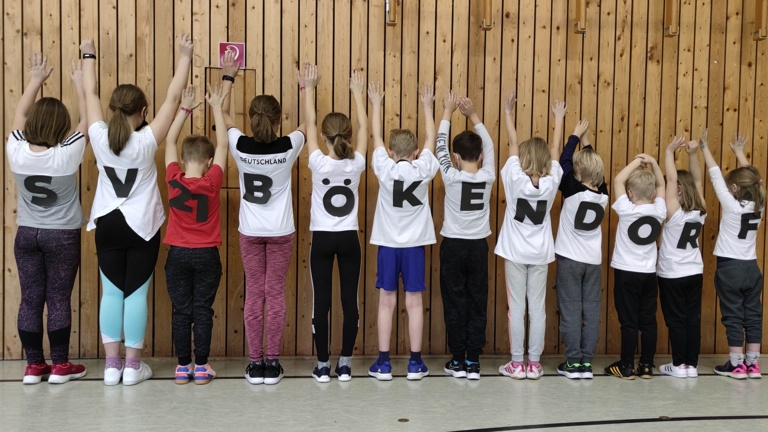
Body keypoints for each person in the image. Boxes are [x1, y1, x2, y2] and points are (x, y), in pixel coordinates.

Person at [80, 35, 193, 386]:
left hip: (109, 224)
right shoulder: (146, 141)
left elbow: (90, 94)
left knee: (112, 292)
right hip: (141, 226)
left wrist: (88, 56)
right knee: (136, 293)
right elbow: (174, 98)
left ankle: (111, 367)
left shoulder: (99, 136)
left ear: (113, 110)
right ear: (144, 113)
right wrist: (185, 57)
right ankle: (132, 367)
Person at [219, 54, 305, 385]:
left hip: (251, 232)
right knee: (275, 293)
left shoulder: (239, 145)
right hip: (281, 231)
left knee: (255, 293)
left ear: (251, 121)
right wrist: (306, 88)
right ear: (278, 119)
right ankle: (272, 363)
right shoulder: (288, 146)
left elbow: (222, 114)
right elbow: (308, 126)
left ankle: (255, 365)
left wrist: (228, 79)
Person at [8, 54, 88, 384]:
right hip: (62, 236)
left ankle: (33, 366)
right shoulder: (67, 152)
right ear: (60, 126)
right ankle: (59, 365)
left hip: (27, 234)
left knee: (30, 298)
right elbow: (86, 120)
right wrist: (82, 86)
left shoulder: (15, 148)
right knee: (57, 298)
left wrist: (34, 79)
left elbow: (19, 114)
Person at [367, 83, 439, 381]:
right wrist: (427, 105)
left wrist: (375, 104)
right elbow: (432, 140)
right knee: (413, 303)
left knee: (387, 301)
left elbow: (377, 137)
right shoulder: (423, 168)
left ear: (391, 152)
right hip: (414, 247)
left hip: (387, 245)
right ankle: (415, 363)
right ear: (416, 152)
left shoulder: (384, 166)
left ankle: (383, 363)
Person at [301, 64, 367, 383]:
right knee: (349, 302)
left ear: (326, 137)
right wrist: (357, 94)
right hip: (349, 239)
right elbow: (365, 130)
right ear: (349, 136)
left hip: (323, 240)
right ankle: (345, 364)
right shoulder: (357, 162)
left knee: (322, 302)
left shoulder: (317, 161)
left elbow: (310, 123)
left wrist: (309, 88)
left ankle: (323, 365)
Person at [163, 82, 229, 385]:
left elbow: (170, 142)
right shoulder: (212, 181)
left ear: (183, 159)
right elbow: (225, 145)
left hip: (177, 254)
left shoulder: (173, 178)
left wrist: (185, 109)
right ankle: (201, 367)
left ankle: (181, 367)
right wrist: (216, 104)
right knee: (202, 310)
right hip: (206, 255)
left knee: (181, 311)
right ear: (208, 163)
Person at [496, 95, 565, 380]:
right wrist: (559, 118)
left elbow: (512, 144)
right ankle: (534, 364)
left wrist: (508, 113)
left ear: (523, 158)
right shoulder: (551, 181)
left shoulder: (514, 178)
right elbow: (557, 152)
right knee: (537, 309)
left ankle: (516, 363)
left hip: (514, 253)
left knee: (517, 308)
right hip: (540, 254)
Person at [436, 92, 495, 380]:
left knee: (455, 300)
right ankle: (473, 360)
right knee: (477, 299)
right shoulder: (489, 175)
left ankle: (457, 359)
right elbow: (492, 146)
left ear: (456, 158)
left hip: (453, 248)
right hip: (478, 248)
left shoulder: (451, 175)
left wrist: (446, 112)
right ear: (482, 156)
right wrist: (473, 116)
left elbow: (440, 150)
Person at [700, 131, 764, 380]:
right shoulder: (760, 204)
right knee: (753, 315)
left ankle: (736, 365)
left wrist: (705, 147)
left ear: (735, 188)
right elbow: (754, 180)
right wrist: (739, 153)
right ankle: (753, 365)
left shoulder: (732, 205)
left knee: (734, 316)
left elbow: (715, 175)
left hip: (730, 269)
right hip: (752, 269)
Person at [554, 120, 608, 380]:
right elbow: (595, 170)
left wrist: (575, 136)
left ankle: (573, 362)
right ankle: (586, 362)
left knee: (571, 310)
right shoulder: (604, 195)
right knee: (591, 311)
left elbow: (563, 160)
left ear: (577, 173)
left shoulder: (572, 190)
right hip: (593, 262)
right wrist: (587, 142)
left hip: (569, 259)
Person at [604, 153, 666, 380]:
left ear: (629, 194)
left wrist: (636, 162)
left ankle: (626, 366)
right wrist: (654, 163)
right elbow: (661, 183)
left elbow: (618, 180)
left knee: (628, 322)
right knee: (648, 321)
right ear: (653, 195)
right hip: (649, 274)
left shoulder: (626, 209)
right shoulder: (659, 211)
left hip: (626, 273)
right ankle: (647, 366)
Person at [657, 135, 707, 379]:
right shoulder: (700, 211)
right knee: (691, 319)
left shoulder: (674, 212)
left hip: (672, 274)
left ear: (677, 189)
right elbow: (697, 180)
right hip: (694, 272)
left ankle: (678, 364)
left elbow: (677, 179)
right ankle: (691, 365)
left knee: (676, 319)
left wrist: (669, 152)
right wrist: (693, 155)